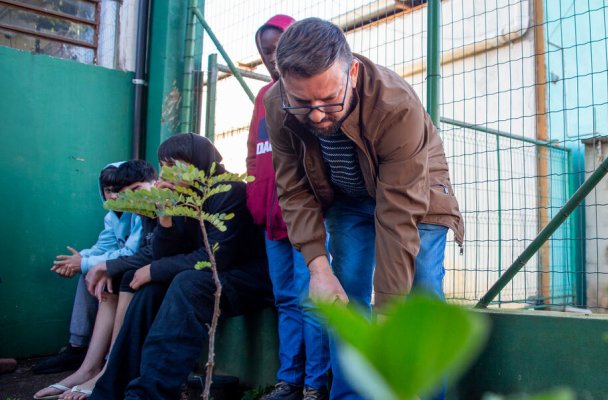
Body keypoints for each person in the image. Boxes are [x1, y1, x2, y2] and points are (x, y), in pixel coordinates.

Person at [264, 18, 464, 399]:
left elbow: (397, 216)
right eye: (303, 103)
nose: (318, 115)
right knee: (346, 294)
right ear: (283, 81)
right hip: (347, 196)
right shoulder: (277, 105)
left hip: (416, 197)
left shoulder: (396, 105)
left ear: (352, 71)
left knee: (416, 297)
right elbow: (293, 191)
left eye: (329, 100)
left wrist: (391, 313)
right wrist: (318, 269)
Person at [90, 133, 273, 400]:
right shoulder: (181, 197)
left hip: (249, 278)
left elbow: (215, 258)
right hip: (210, 276)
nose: (165, 172)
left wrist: (154, 270)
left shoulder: (228, 190)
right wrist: (165, 214)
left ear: (198, 162)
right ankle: (109, 392)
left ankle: (149, 394)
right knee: (149, 291)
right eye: (163, 165)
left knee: (187, 282)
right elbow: (165, 254)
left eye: (174, 164)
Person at [247, 15, 331, 400]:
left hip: (307, 218)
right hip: (271, 220)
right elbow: (254, 155)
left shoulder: (311, 93)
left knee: (311, 299)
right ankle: (288, 379)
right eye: (264, 51)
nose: (270, 57)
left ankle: (315, 383)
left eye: (277, 48)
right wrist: (256, 199)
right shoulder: (264, 99)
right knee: (284, 299)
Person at [34, 160, 157, 400]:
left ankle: (108, 367)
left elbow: (134, 252)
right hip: (130, 264)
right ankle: (80, 353)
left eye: (119, 190)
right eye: (108, 190)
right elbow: (105, 246)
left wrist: (92, 264)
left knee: (106, 274)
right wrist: (82, 260)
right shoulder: (113, 216)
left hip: (141, 269)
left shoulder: (143, 210)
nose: (113, 195)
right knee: (92, 273)